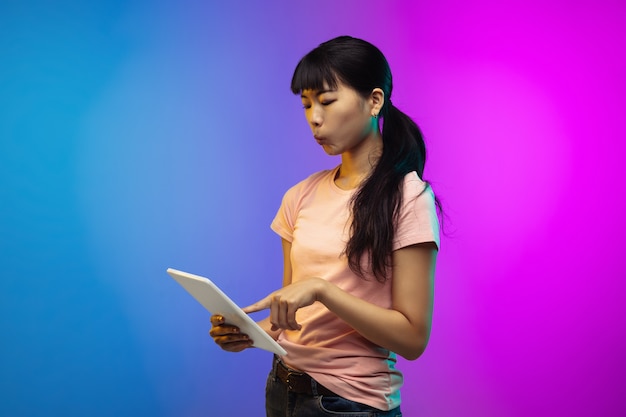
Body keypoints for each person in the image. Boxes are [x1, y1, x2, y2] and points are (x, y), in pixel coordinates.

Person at [210, 35, 440, 417]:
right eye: (306, 104)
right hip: (283, 389)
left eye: (327, 101)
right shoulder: (299, 196)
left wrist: (322, 290)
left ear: (374, 101)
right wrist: (250, 334)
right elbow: (293, 320)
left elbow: (413, 338)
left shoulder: (409, 197)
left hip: (349, 404)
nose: (314, 118)